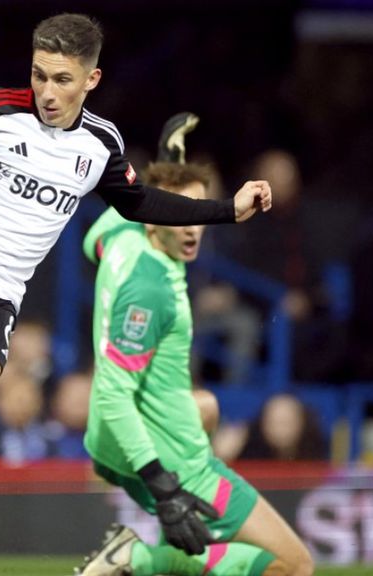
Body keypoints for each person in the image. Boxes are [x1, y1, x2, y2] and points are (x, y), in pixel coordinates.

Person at [0, 13, 272, 575]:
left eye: (62, 79)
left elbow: (137, 204)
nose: (47, 91)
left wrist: (226, 211)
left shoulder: (99, 144)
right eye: (39, 75)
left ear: (92, 79)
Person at [74, 138, 311, 574]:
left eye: (196, 211)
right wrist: (162, 485)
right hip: (172, 461)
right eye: (176, 213)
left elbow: (99, 234)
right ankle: (137, 559)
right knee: (292, 566)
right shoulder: (151, 290)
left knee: (207, 407)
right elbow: (112, 393)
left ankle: (166, 559)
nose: (191, 227)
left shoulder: (120, 235)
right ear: (151, 218)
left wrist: (168, 164)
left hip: (112, 444)